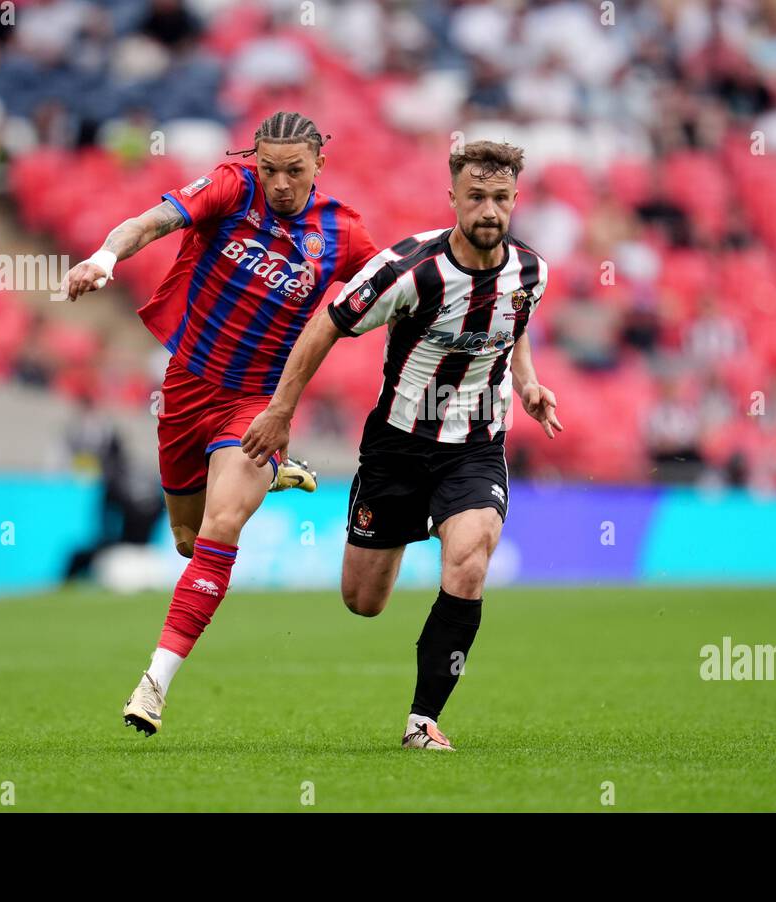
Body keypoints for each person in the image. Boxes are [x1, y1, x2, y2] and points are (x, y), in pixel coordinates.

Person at [60, 111, 378, 735]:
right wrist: (105, 256)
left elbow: (394, 284)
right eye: (270, 169)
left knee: (220, 526)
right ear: (254, 162)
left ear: (320, 165)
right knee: (184, 539)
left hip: (256, 405)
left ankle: (153, 685)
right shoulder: (231, 187)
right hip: (185, 388)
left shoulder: (341, 231)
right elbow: (153, 221)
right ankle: (275, 475)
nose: (281, 183)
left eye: (295, 171)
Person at [241, 141, 562, 751]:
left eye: (500, 198)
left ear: (516, 200)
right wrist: (281, 411)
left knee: (470, 558)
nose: (488, 210)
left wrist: (527, 384)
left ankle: (423, 720)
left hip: (475, 445)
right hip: (396, 446)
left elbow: (513, 328)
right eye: (476, 197)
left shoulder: (532, 271)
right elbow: (326, 324)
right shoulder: (407, 268)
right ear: (453, 199)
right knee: (364, 601)